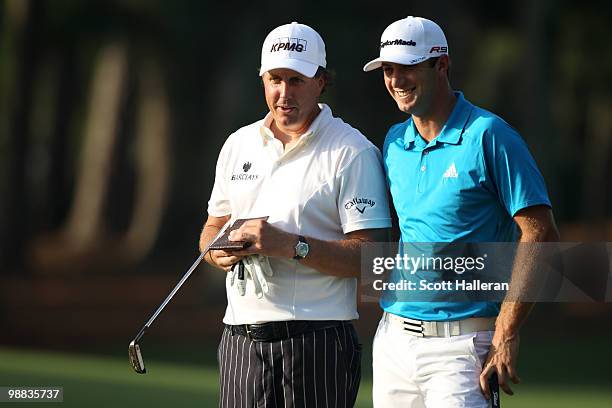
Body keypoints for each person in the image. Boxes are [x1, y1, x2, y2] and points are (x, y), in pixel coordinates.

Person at [363, 16, 560, 407]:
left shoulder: (490, 135)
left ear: (441, 65)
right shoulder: (394, 142)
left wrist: (506, 332)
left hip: (462, 348)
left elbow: (540, 233)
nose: (397, 80)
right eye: (388, 69)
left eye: (408, 67)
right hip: (393, 343)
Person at [199, 21, 391, 407]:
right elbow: (212, 227)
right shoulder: (238, 144)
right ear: (263, 80)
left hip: (316, 342)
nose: (283, 93)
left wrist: (290, 246)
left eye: (297, 80)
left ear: (321, 81)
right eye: (275, 79)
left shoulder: (352, 151)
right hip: (240, 339)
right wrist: (217, 250)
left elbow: (372, 260)